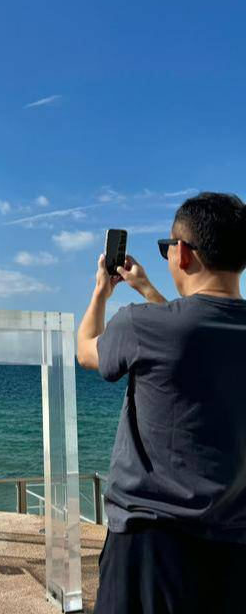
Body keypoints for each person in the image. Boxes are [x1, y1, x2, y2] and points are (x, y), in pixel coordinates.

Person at [77, 192, 246, 614]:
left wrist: (101, 292)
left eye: (167, 246)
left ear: (182, 253)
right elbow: (195, 333)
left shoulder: (141, 325)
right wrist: (148, 288)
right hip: (234, 551)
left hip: (147, 550)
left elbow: (86, 350)